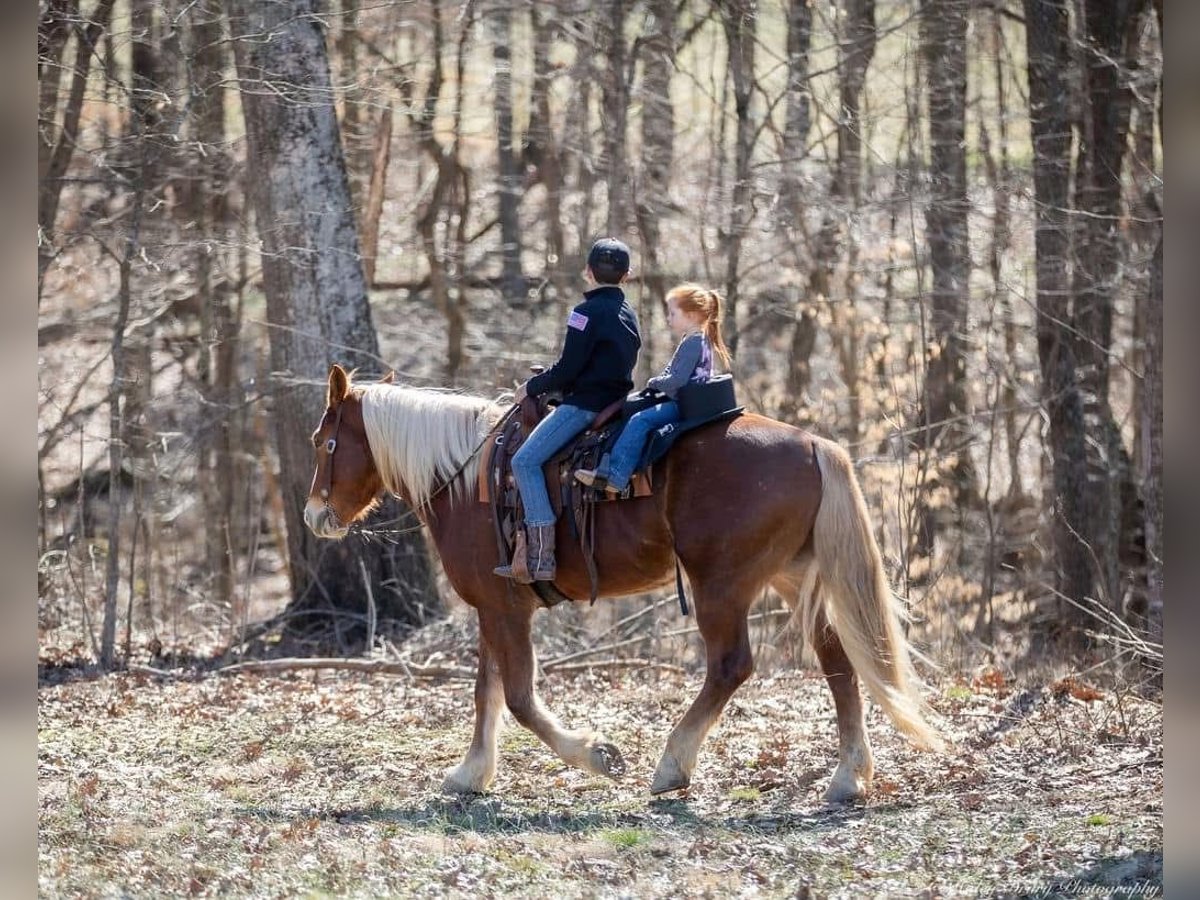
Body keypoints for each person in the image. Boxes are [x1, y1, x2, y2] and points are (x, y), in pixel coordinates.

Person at [494, 238, 641, 583]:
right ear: (627, 276)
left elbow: (568, 368)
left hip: (585, 406)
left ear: (587, 272)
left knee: (524, 461)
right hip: (616, 403)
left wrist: (529, 388)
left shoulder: (582, 313)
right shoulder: (629, 314)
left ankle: (541, 554)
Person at [574, 283, 732, 495]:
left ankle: (617, 475)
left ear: (692, 315)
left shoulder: (694, 342)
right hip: (684, 399)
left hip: (683, 403)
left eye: (673, 314)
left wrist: (654, 382)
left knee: (641, 420)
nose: (668, 319)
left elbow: (678, 380)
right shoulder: (697, 339)